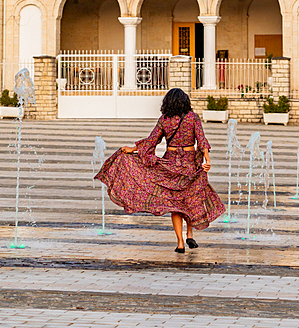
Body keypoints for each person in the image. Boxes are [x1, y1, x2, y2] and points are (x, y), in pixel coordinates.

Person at [94, 87, 225, 252]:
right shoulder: (193, 118)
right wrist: (207, 159)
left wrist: (132, 148)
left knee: (175, 204)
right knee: (191, 199)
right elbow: (202, 140)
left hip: (170, 165)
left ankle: (180, 243)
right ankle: (190, 234)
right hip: (189, 163)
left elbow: (151, 141)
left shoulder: (164, 120)